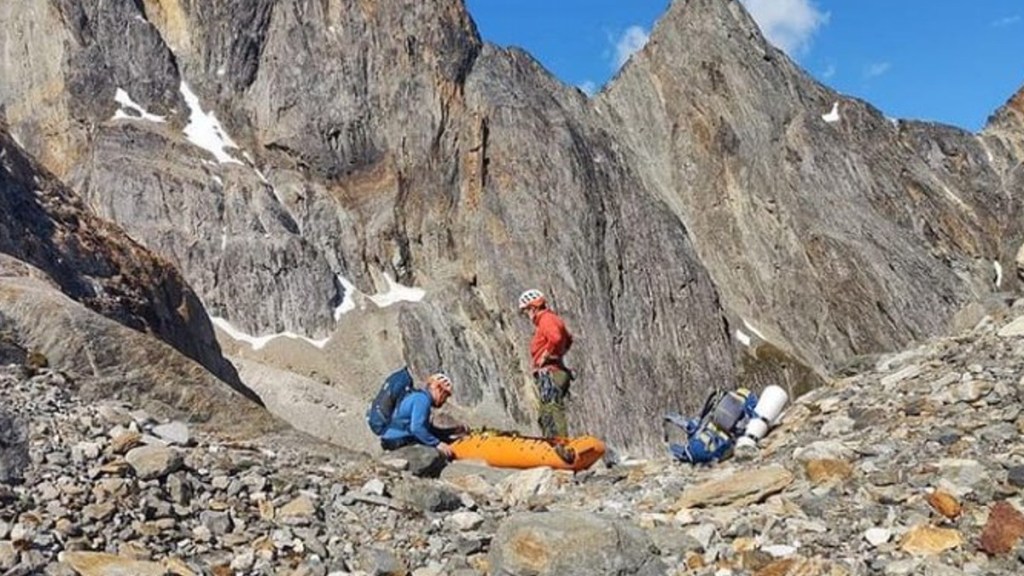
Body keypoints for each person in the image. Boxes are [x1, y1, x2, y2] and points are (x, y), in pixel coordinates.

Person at [518, 289, 575, 438]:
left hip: (550, 372)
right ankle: (551, 441)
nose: (527, 315)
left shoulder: (546, 319)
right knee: (546, 410)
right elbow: (568, 339)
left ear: (533, 308)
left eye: (526, 311)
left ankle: (560, 443)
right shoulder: (553, 319)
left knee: (552, 407)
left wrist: (545, 356)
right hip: (556, 370)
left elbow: (556, 338)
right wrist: (558, 354)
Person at [379, 372, 462, 458]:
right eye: (445, 395)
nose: (445, 400)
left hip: (393, 438)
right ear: (438, 389)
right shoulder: (422, 400)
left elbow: (427, 430)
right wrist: (438, 444)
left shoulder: (419, 397)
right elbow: (417, 428)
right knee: (436, 456)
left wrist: (452, 431)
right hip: (399, 440)